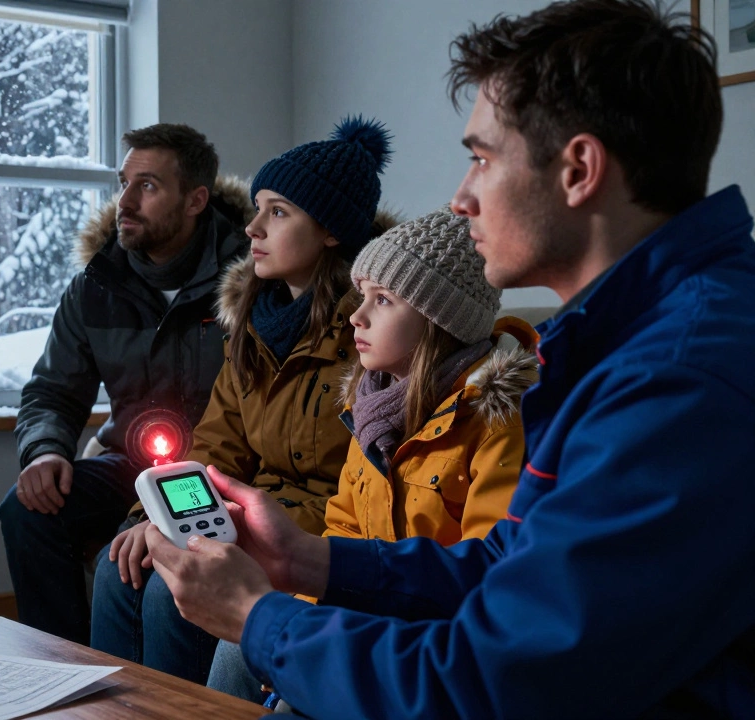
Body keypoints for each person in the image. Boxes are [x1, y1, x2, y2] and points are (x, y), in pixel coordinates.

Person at [144, 1, 755, 717]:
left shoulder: (680, 380)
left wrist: (256, 617)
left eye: (481, 158)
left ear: (579, 169)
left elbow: (494, 683)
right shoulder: (630, 339)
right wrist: (309, 559)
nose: (461, 197)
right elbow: (514, 572)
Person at [91, 118, 399, 683]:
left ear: (330, 230)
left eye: (277, 212)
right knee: (119, 565)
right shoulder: (251, 326)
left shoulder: (374, 332)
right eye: (256, 207)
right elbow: (216, 447)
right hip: (239, 513)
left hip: (312, 533)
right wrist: (153, 516)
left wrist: (233, 532)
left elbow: (362, 492)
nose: (253, 227)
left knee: (168, 590)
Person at [204, 206, 538, 703]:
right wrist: (299, 610)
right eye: (362, 296)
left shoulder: (496, 422)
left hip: (425, 643)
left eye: (383, 300)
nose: (356, 316)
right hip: (364, 611)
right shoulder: (371, 406)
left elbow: (487, 577)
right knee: (241, 641)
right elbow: (344, 527)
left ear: (436, 321)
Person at [0, 124, 251, 645]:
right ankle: (60, 668)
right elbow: (51, 390)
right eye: (124, 183)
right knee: (26, 510)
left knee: (138, 553)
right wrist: (44, 451)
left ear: (195, 200)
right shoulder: (96, 285)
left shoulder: (250, 281)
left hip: (219, 472)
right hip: (130, 466)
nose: (125, 202)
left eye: (149, 186)